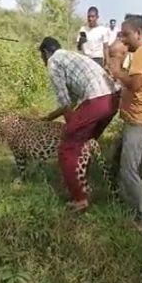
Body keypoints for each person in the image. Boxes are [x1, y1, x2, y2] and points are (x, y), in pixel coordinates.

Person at [38, 37, 119, 213]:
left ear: (45, 53)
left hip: (97, 100)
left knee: (67, 148)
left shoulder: (53, 62)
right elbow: (73, 100)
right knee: (83, 145)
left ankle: (79, 198)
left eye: (42, 57)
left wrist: (71, 128)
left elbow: (65, 101)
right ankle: (83, 185)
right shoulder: (69, 57)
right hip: (112, 99)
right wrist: (50, 117)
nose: (44, 61)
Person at [107, 17, 142, 231]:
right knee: (123, 167)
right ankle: (131, 208)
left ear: (138, 33)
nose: (124, 39)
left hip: (140, 122)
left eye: (126, 34)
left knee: (129, 171)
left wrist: (118, 72)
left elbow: (136, 84)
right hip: (137, 120)